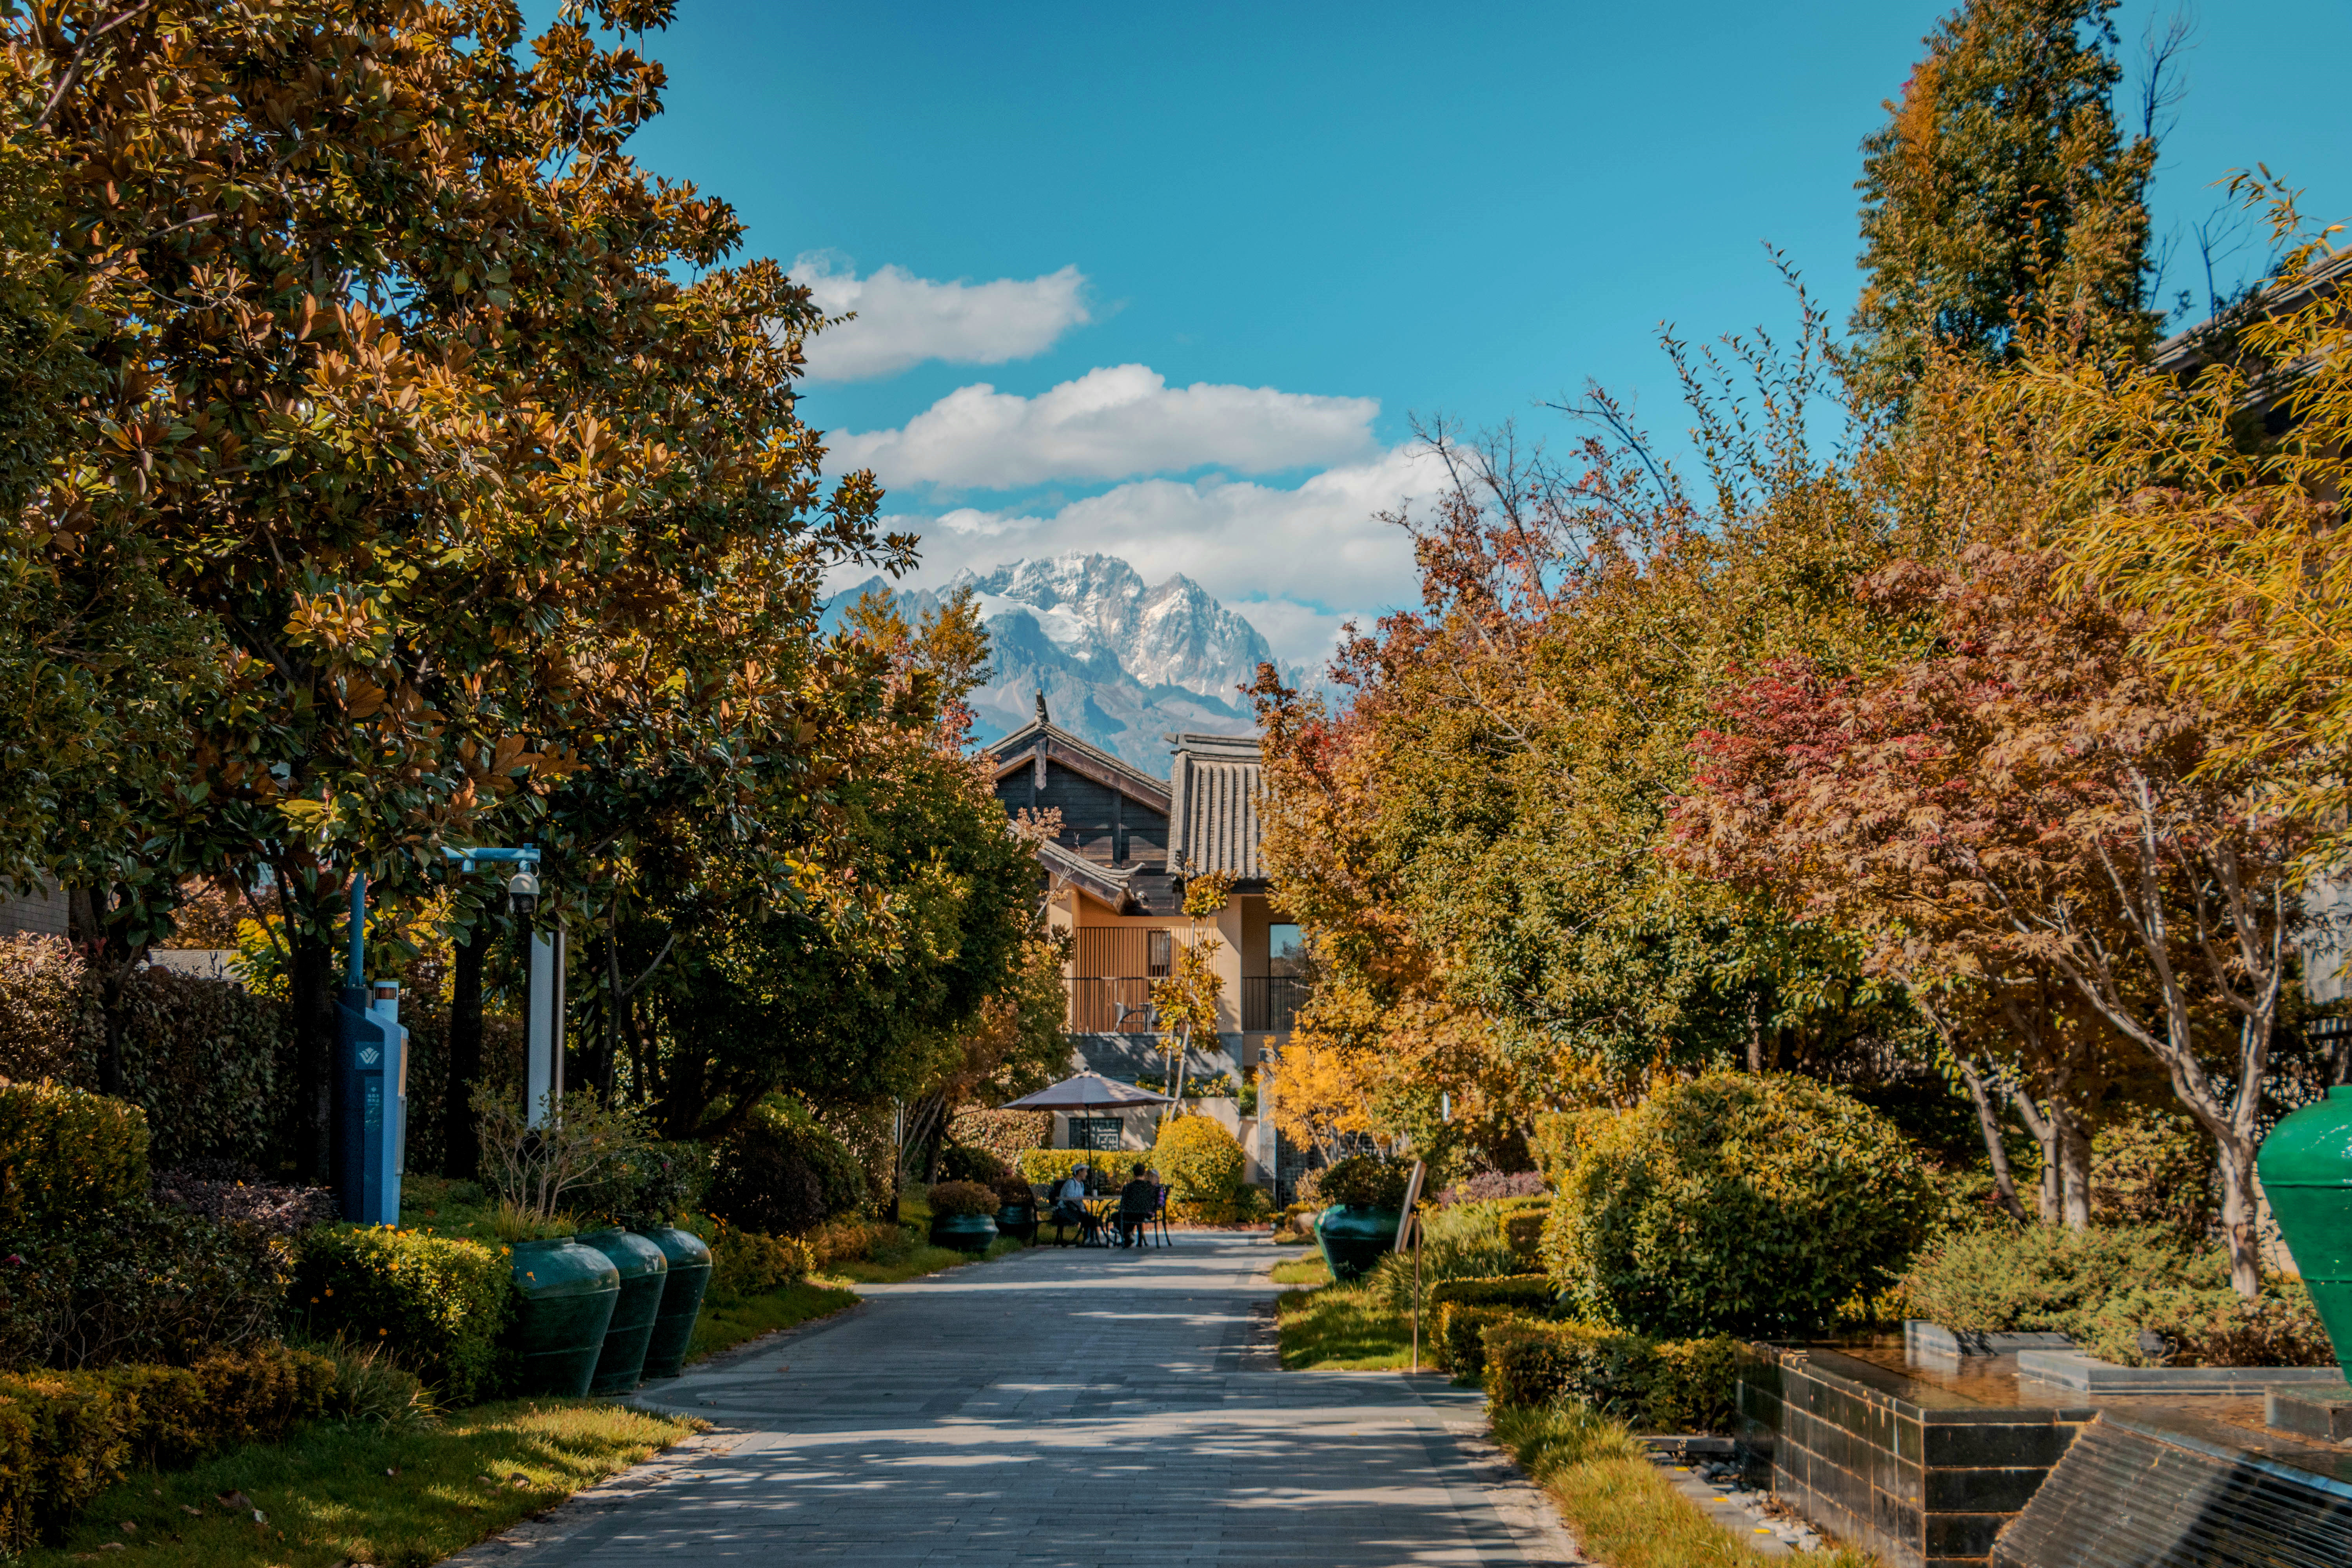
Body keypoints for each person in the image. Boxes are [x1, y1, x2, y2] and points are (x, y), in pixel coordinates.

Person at [1053, 1165, 1100, 1244]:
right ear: (1079, 1172)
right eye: (1085, 1172)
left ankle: (1091, 1239)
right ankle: (1088, 1240)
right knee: (1087, 1217)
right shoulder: (1071, 1183)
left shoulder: (1081, 1184)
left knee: (1091, 1217)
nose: (1086, 1174)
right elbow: (1069, 1200)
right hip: (1065, 1211)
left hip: (1075, 1210)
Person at [1115, 1162, 1158, 1247]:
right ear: (1145, 1173)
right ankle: (1128, 1237)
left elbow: (1124, 1203)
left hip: (1131, 1214)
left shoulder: (1128, 1187)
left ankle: (1127, 1237)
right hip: (1145, 1214)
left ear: (1134, 1174)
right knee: (1131, 1216)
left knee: (1116, 1216)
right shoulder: (1150, 1187)